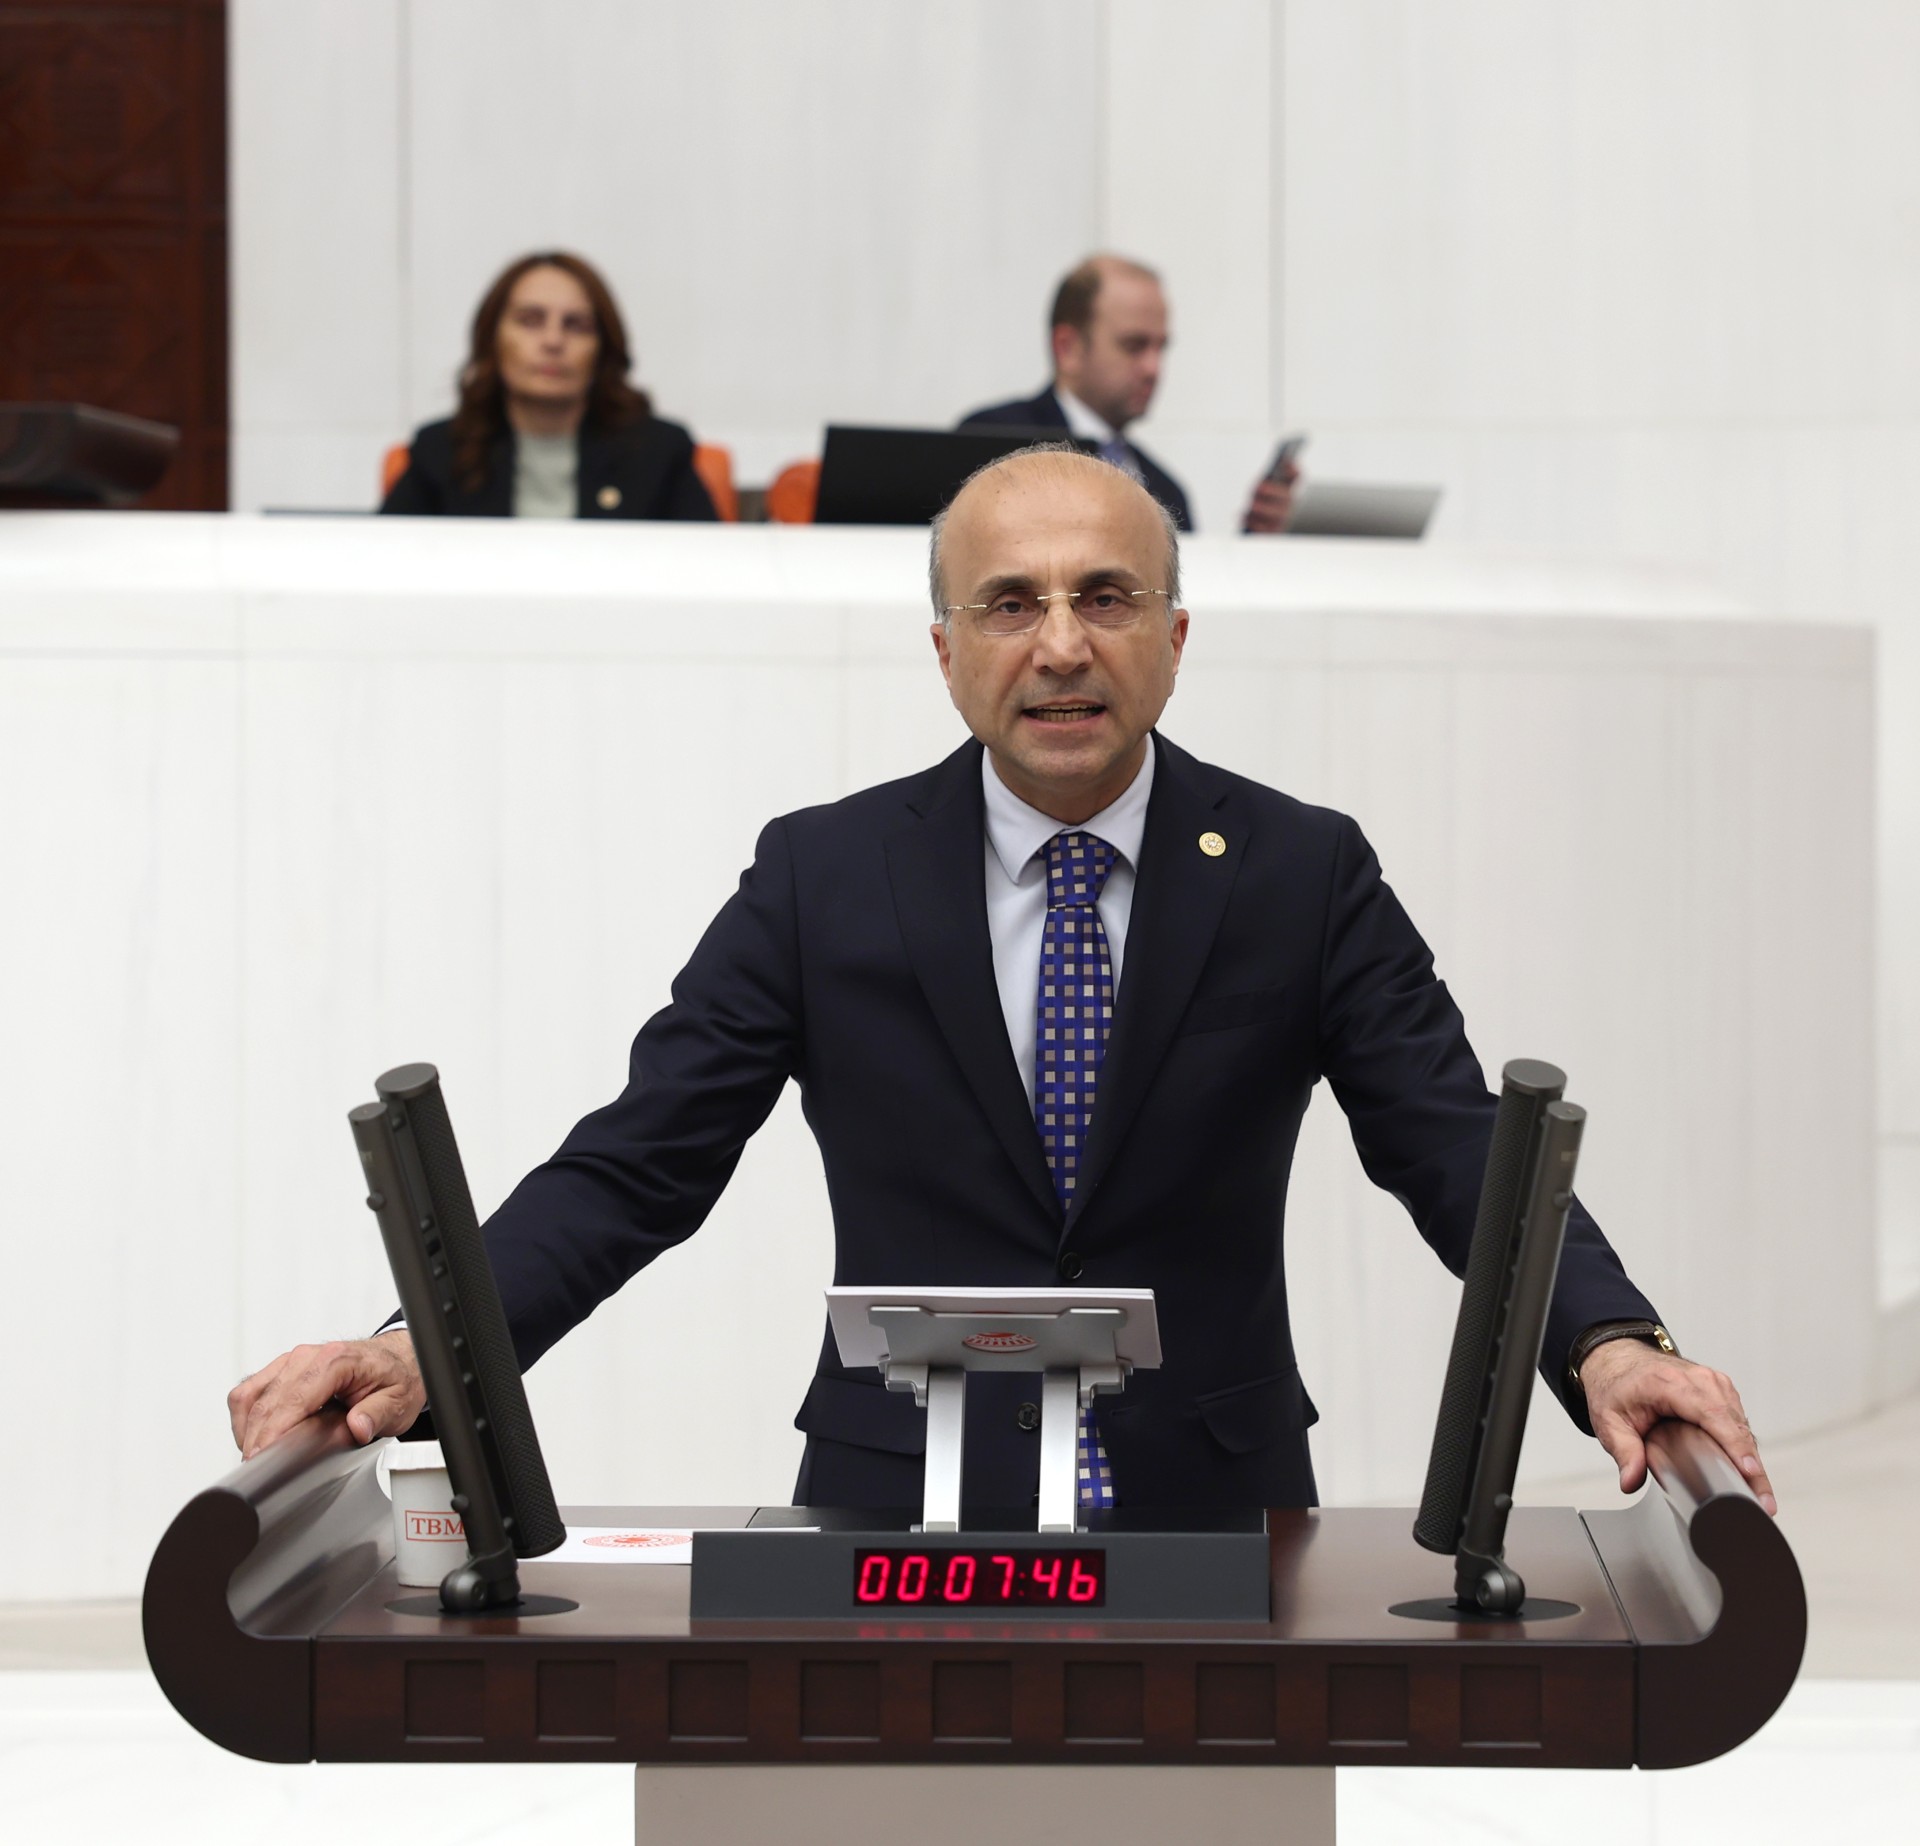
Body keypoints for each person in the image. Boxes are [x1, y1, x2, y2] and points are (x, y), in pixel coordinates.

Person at [232, 446, 1774, 1523]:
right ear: (946, 648)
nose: (1061, 645)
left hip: (1215, 1508)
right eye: (1011, 603)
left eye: (1107, 597)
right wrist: (416, 1347)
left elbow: (1455, 1143)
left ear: (1175, 636)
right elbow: (638, 1164)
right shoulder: (823, 875)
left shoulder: (1302, 872)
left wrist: (1609, 1339)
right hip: (892, 1505)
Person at [957, 254, 1296, 536]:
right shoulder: (993, 445)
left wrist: (1256, 541)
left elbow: (1184, 591)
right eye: (1134, 345)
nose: (1153, 368)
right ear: (1067, 348)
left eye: (1160, 347)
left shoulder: (1166, 492)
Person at [379, 250, 716, 522]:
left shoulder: (658, 453)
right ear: (492, 339)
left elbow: (711, 568)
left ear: (603, 348)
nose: (553, 341)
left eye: (576, 325)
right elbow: (380, 564)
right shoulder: (441, 451)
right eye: (530, 321)